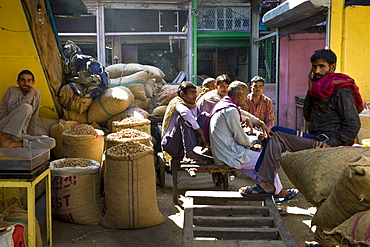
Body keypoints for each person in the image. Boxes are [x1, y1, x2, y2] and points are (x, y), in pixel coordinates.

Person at [240, 49, 363, 246]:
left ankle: (267, 183)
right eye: (314, 66)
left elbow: (352, 125)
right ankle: (267, 182)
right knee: (275, 133)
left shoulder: (341, 90)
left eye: (321, 66)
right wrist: (310, 88)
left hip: (330, 142)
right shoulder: (318, 88)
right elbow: (307, 115)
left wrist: (330, 142)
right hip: (315, 138)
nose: (317, 70)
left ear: (332, 67)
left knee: (277, 135)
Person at [208, 81, 291, 199]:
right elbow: (240, 137)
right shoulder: (230, 110)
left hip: (225, 151)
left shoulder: (225, 105)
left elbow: (243, 114)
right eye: (245, 94)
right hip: (228, 154)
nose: (246, 98)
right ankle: (278, 193)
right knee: (267, 158)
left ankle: (272, 190)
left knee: (264, 164)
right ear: (240, 95)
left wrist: (259, 122)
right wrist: (251, 144)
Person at [197, 74, 270, 135]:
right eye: (222, 86)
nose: (225, 89)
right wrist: (248, 120)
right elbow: (233, 114)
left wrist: (258, 122)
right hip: (203, 129)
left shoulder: (225, 99)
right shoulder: (213, 98)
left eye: (227, 87)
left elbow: (238, 111)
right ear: (216, 86)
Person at [0, 70, 55, 149]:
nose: (26, 83)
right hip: (4, 128)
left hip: (19, 134)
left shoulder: (37, 94)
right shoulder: (12, 90)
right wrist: (29, 95)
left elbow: (33, 117)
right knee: (27, 107)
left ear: (33, 82)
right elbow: (11, 109)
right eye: (23, 80)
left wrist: (32, 134)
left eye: (29, 80)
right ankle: (3, 138)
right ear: (18, 82)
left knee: (50, 141)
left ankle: (13, 144)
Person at [161, 81, 206, 160]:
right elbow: (185, 114)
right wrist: (200, 132)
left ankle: (202, 149)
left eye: (195, 93)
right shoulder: (177, 103)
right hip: (172, 144)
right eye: (191, 93)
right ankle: (189, 152)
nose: (195, 96)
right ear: (182, 94)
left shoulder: (193, 105)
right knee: (183, 119)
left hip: (184, 143)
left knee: (204, 116)